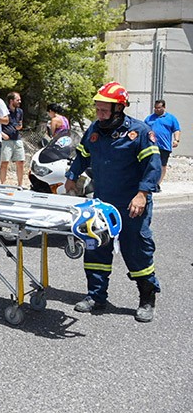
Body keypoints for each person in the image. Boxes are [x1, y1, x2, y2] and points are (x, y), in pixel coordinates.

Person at [64, 81, 161, 323]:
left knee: (136, 250)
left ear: (119, 109)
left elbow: (153, 167)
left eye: (104, 110)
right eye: (97, 109)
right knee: (96, 247)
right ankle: (96, 297)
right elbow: (83, 154)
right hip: (102, 205)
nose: (99, 114)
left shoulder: (139, 132)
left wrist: (143, 194)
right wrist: (71, 176)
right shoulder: (95, 130)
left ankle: (147, 299)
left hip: (131, 205)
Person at [144, 99, 181, 190]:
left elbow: (176, 130)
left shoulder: (171, 118)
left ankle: (157, 184)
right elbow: (143, 129)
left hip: (164, 146)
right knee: (150, 164)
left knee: (162, 165)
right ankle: (149, 182)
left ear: (164, 107)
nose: (156, 110)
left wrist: (176, 140)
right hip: (151, 145)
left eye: (159, 108)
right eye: (155, 108)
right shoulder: (149, 118)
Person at [0, 92, 25, 186]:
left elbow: (20, 123)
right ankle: (3, 184)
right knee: (4, 163)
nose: (20, 101)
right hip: (6, 140)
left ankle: (20, 185)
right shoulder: (3, 111)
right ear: (11, 101)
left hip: (17, 139)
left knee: (21, 162)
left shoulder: (20, 111)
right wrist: (1, 134)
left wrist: (20, 127)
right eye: (17, 100)